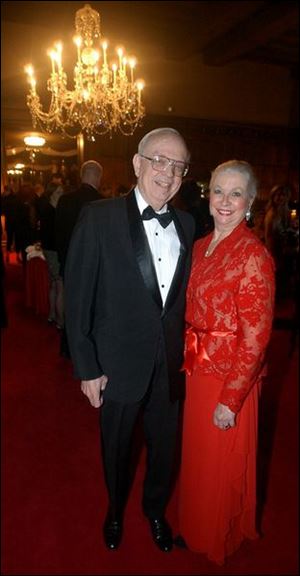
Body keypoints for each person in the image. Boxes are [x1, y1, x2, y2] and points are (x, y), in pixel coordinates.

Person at [64, 128, 195, 552]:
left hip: (169, 365)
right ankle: (115, 511)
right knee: (117, 449)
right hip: (117, 362)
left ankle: (155, 511)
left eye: (178, 165)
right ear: (137, 164)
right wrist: (87, 367)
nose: (168, 172)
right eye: (160, 160)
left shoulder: (189, 223)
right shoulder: (98, 218)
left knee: (164, 451)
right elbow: (78, 297)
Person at [177, 160, 275, 565]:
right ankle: (195, 524)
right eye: (219, 190)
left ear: (250, 202)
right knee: (198, 461)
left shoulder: (254, 256)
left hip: (228, 379)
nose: (225, 201)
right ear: (208, 193)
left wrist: (230, 400)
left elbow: (256, 338)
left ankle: (215, 534)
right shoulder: (201, 245)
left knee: (218, 463)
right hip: (197, 369)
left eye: (236, 194)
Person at [55, 160, 104, 357]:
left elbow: (57, 233)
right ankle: (87, 350)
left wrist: (63, 260)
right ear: (98, 177)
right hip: (94, 266)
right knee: (91, 308)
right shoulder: (103, 202)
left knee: (71, 304)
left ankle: (68, 348)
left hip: (68, 261)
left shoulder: (65, 200)